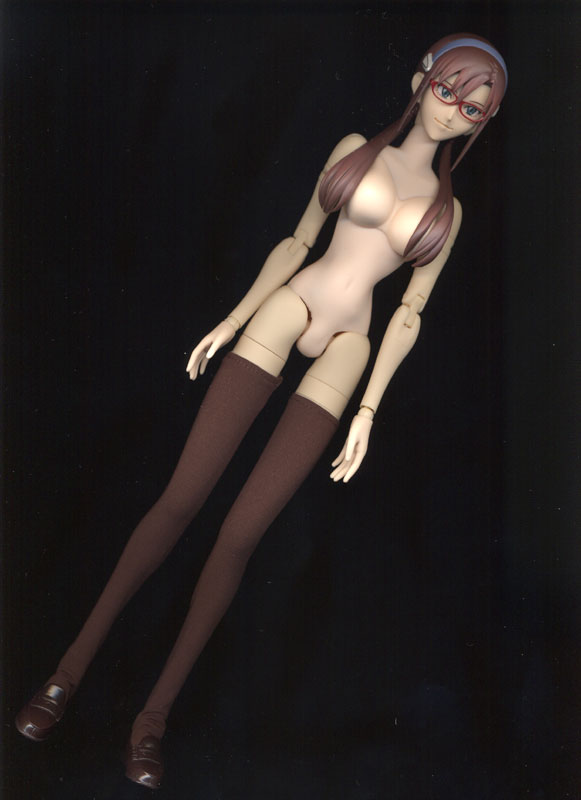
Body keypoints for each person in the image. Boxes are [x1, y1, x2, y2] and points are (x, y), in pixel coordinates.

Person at [16, 33, 507, 789]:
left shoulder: (450, 209)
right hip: (291, 306)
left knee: (240, 536)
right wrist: (232, 319)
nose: (453, 113)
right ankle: (65, 675)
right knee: (181, 499)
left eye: (472, 109)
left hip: (350, 343)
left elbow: (409, 312)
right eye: (447, 90)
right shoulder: (354, 149)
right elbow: (299, 239)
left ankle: (152, 722)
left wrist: (368, 410)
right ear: (420, 78)